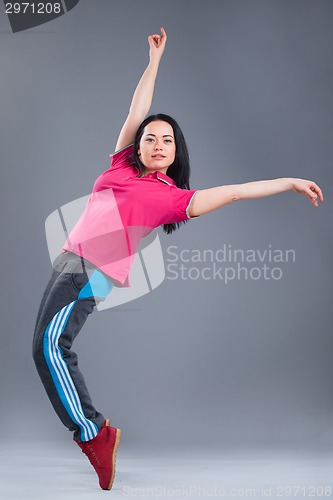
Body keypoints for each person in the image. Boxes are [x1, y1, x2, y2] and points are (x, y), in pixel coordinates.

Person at [32, 27, 324, 491]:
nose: (156, 144)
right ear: (140, 145)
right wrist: (154, 63)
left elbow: (232, 192)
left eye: (166, 140)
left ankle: (94, 434)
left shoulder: (171, 197)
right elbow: (137, 109)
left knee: (50, 348)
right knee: (47, 346)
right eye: (150, 138)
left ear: (174, 152)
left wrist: (287, 181)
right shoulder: (120, 165)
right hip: (71, 259)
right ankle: (93, 432)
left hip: (93, 271)